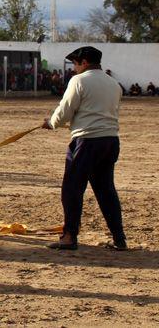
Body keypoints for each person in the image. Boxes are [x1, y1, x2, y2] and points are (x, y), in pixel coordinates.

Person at [42, 46, 127, 251]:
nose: (74, 68)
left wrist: (52, 123)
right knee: (106, 190)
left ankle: (69, 236)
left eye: (75, 63)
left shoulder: (79, 81)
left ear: (84, 62)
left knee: (72, 188)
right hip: (110, 140)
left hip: (87, 141)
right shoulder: (114, 84)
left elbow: (65, 110)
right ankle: (119, 239)